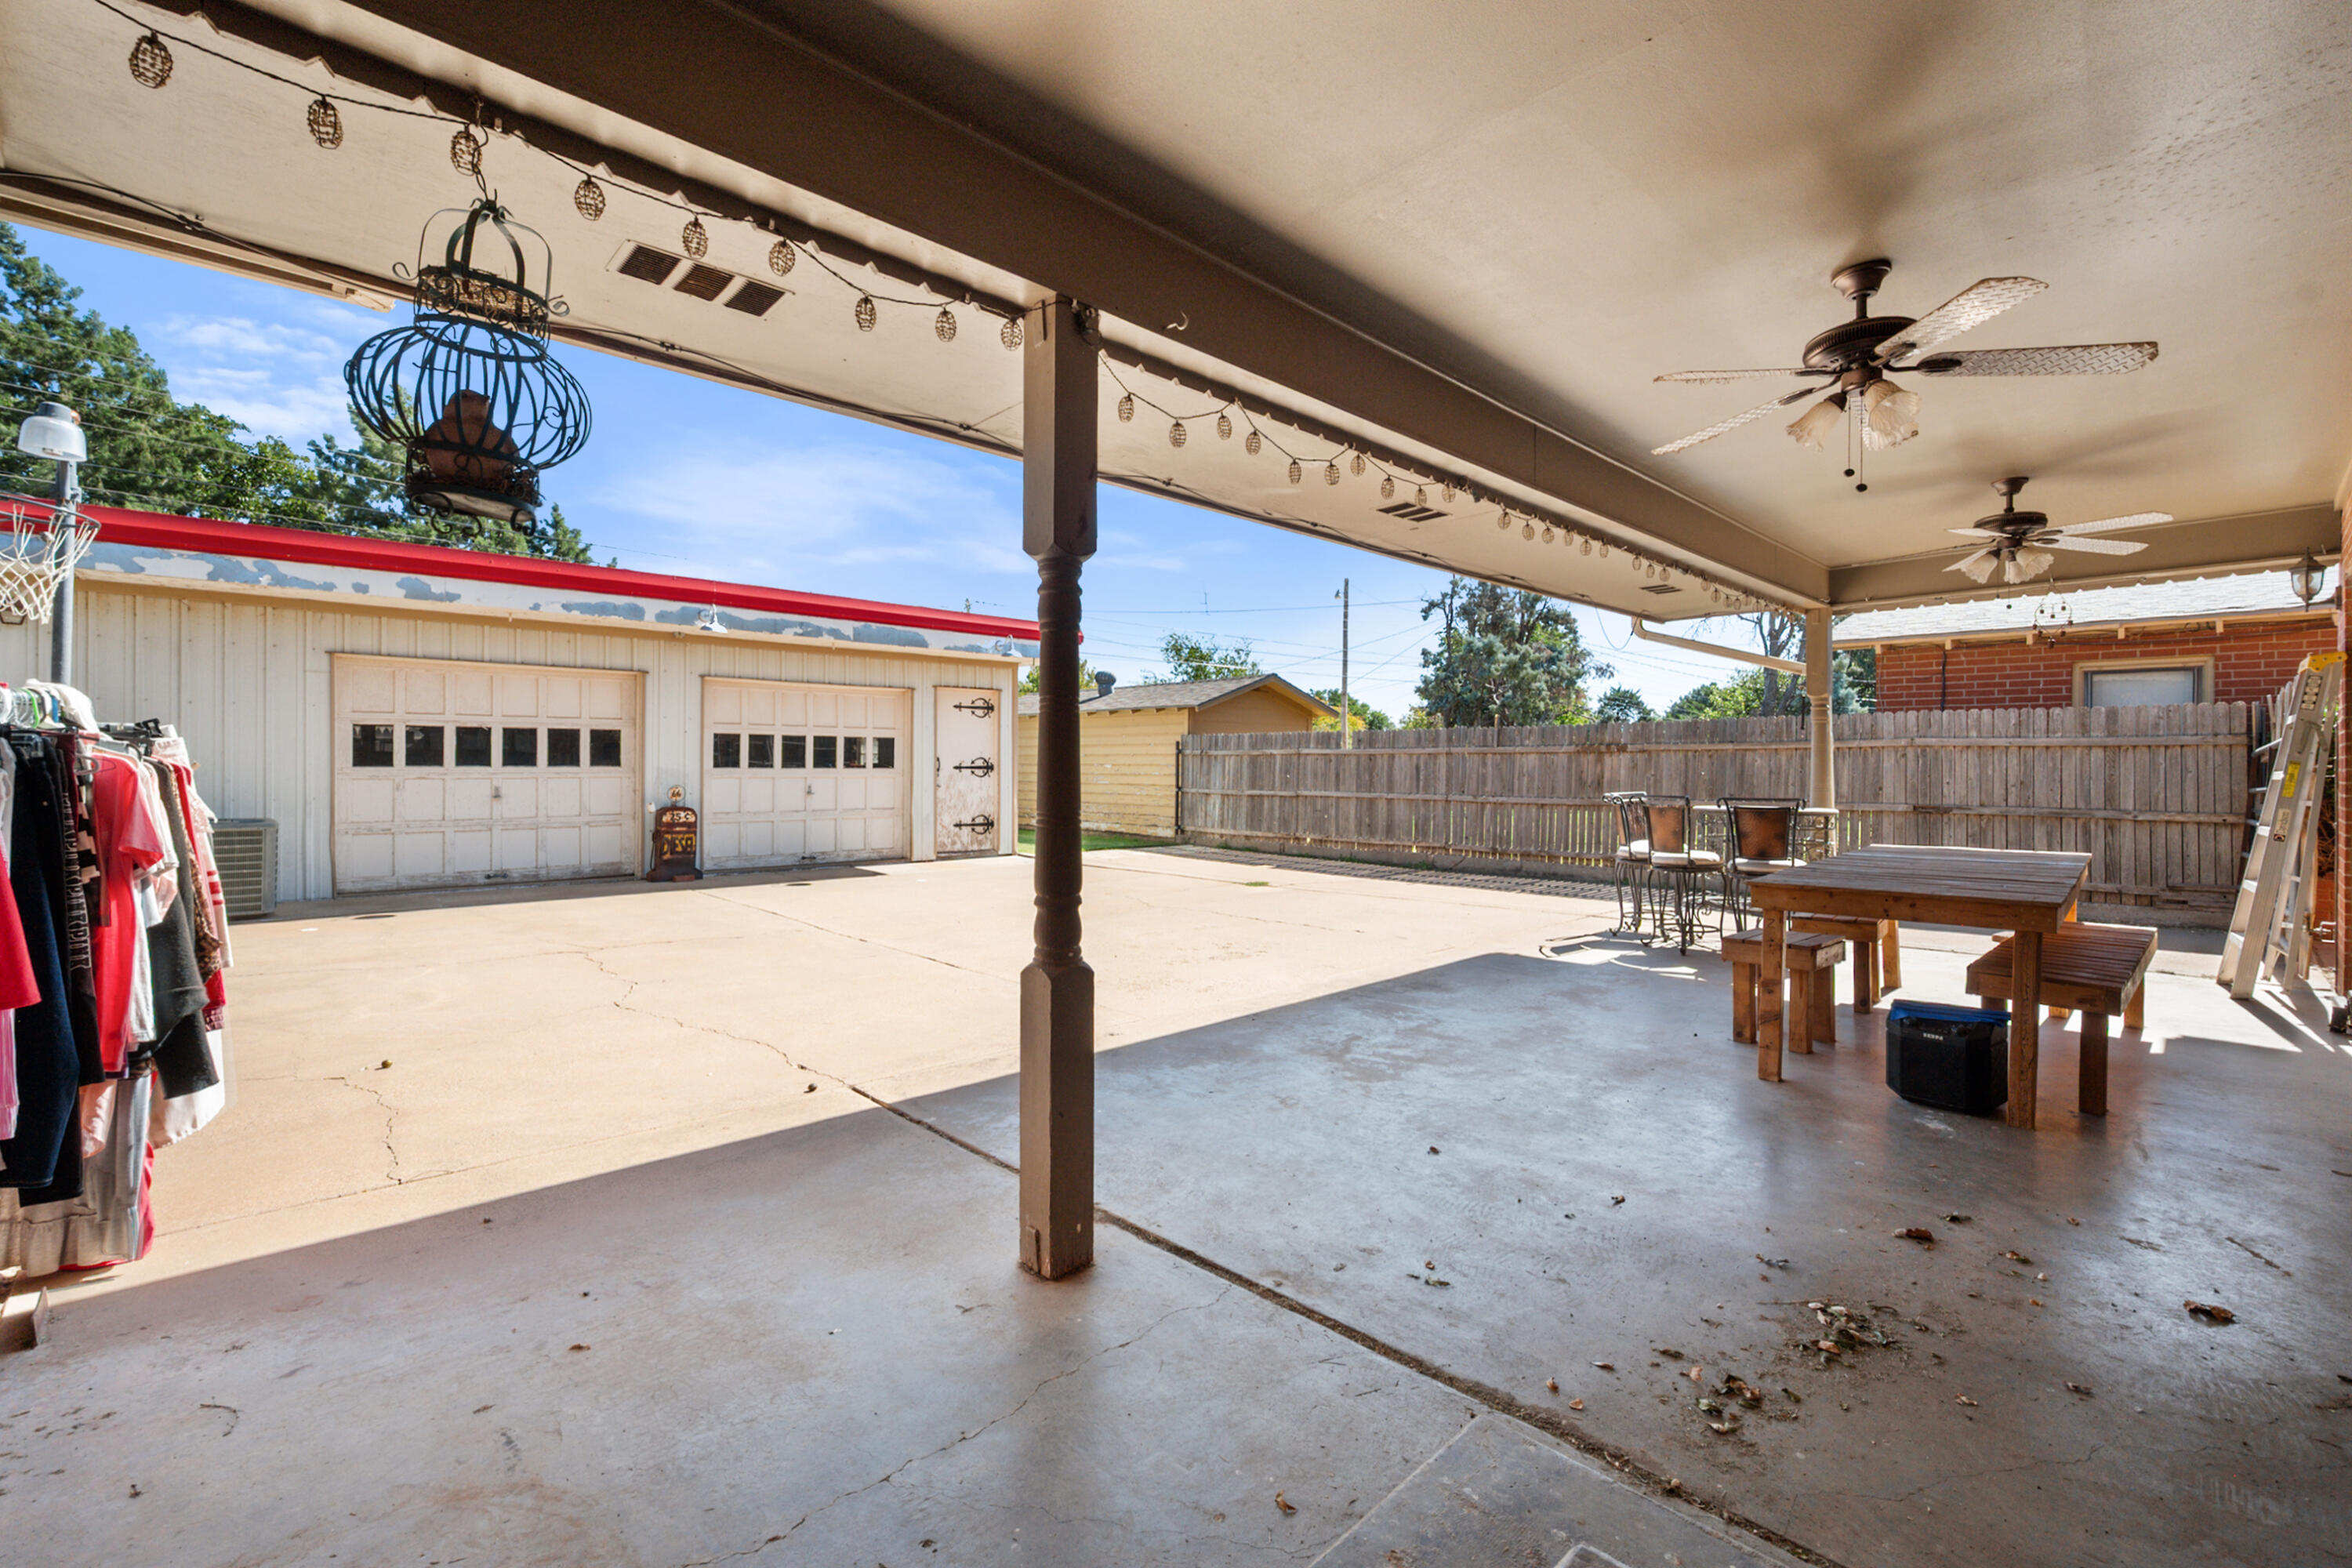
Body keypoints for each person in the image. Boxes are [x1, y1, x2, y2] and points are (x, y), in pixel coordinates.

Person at [420, 391, 519, 490]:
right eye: (463, 397)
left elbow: (514, 459)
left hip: (486, 487)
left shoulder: (500, 437)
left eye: (463, 397)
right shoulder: (437, 429)